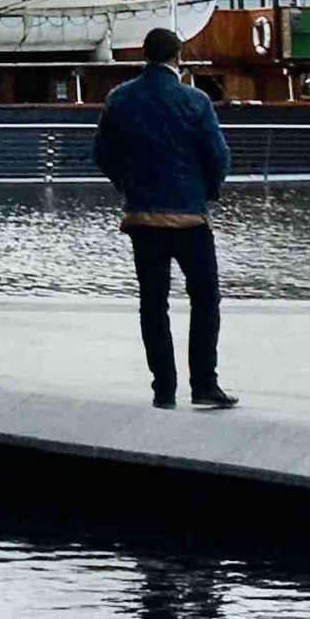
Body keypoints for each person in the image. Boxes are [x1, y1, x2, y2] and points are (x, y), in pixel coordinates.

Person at [92, 25, 236, 410]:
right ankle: (204, 383)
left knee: (153, 304)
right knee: (205, 298)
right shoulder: (196, 100)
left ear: (145, 56)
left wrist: (127, 186)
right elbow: (218, 156)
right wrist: (207, 192)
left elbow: (102, 154)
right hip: (190, 218)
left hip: (142, 219)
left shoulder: (120, 99)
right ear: (178, 58)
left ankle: (164, 389)